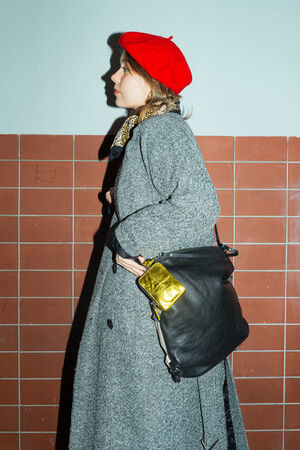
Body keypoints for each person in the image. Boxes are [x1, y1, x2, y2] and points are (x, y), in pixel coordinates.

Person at [69, 31, 249, 449]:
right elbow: (171, 203)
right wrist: (121, 200)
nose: (112, 75)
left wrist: (125, 237)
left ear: (152, 81)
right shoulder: (146, 129)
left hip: (148, 320)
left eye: (125, 68)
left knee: (149, 425)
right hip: (147, 309)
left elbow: (199, 205)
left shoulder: (159, 130)